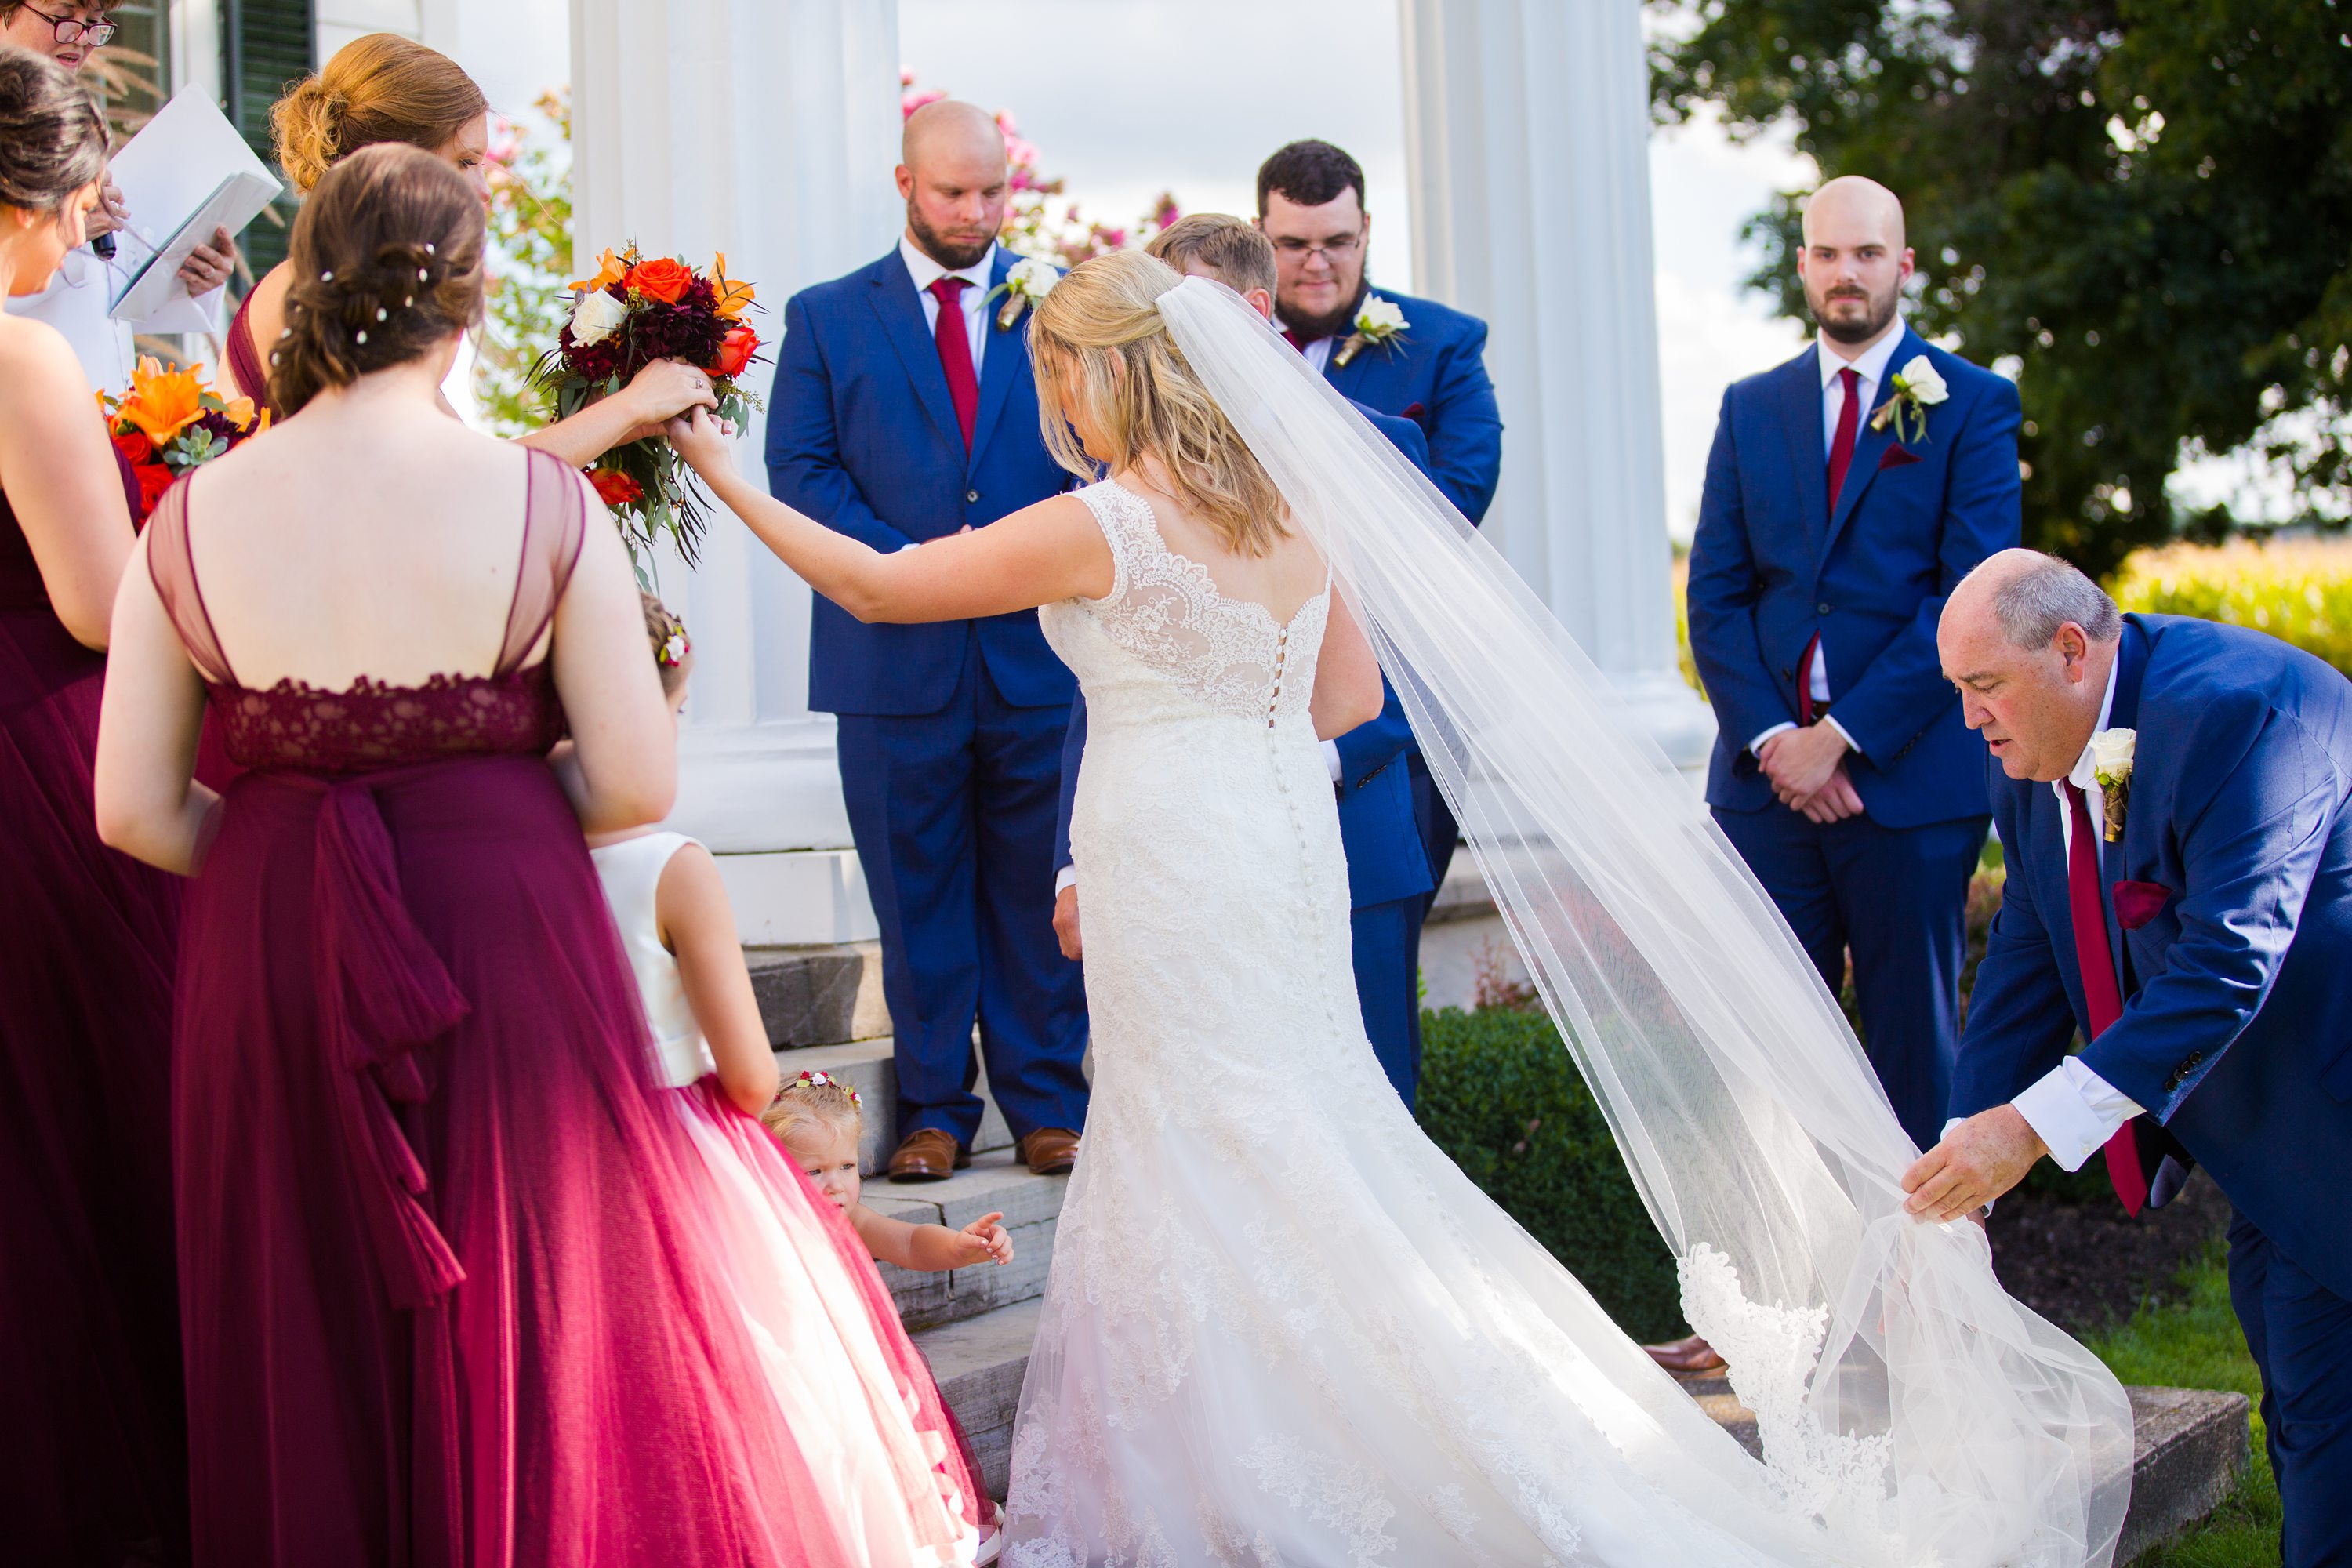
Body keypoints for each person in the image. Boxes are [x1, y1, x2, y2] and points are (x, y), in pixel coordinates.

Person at [662, 251, 2129, 1566]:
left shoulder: (1105, 522)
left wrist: (719, 465)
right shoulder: (1288, 512)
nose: (1059, 413)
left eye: (1061, 381)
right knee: (1307, 1127)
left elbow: (873, 585)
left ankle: (1242, 1472)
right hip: (1275, 842)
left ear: (1105, 374)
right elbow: (1345, 701)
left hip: (1174, 847)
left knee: (1206, 1135)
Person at [93, 142, 881, 1567]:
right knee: (527, 1291)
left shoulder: (191, 513)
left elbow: (135, 812)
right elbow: (637, 780)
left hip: (270, 937)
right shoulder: (540, 500)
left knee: (297, 1301)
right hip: (499, 926)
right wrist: (463, 824)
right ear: (467, 298)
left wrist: (309, 865)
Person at [1908, 550, 2352, 1568]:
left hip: (2333, 1100)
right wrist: (1959, 1172)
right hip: (2268, 1147)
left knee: (2327, 1440)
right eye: (1960, 692)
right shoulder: (2025, 754)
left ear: (2070, 650)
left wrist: (2027, 1132)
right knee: (2307, 1409)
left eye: (1984, 687)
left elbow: (2226, 964)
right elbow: (2033, 952)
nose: (1970, 720)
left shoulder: (2242, 716)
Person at [586, 593, 988, 1567]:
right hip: (680, 1149)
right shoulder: (671, 865)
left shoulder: (504, 863)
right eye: (677, 717)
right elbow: (752, 1069)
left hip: (563, 1150)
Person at [765, 97, 1087, 1181]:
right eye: (955, 192)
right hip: (890, 658)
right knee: (915, 896)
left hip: (1040, 652)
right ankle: (936, 1112)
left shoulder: (1060, 310)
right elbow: (800, 474)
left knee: (1040, 894)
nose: (977, 211)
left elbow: (1095, 454)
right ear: (905, 184)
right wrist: (909, 569)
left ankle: (1047, 1102)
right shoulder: (824, 317)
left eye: (994, 191)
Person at [1050, 212, 1436, 1106]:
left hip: (1351, 838)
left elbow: (1412, 672)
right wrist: (1075, 859)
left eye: (1179, 324)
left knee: (1366, 1114)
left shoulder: (1371, 448)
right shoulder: (1113, 482)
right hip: (1178, 863)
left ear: (1251, 313)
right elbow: (1106, 686)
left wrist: (1286, 769)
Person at [1686, 175, 2016, 1156]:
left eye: (1867, 253)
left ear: (1903, 265)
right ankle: (1788, 1299)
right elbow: (1717, 595)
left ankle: (1925, 1296)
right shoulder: (1751, 409)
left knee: (1915, 1054)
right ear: (1802, 264)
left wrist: (1842, 739)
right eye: (1827, 253)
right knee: (1767, 1057)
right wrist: (1781, 740)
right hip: (1767, 789)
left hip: (1905, 786)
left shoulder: (1973, 406)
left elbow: (1971, 599)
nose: (1845, 273)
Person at [0, 43, 189, 1566]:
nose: (75, 241)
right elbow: (94, 600)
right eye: (69, 207)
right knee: (97, 1127)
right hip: (36, 770)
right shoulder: (19, 358)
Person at [226, 31, 711, 457]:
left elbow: (459, 460)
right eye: (463, 161)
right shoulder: (333, 296)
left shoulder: (337, 279)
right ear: (394, 162)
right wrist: (631, 405)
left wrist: (623, 421)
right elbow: (461, 475)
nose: (483, 188)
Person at [1255, 136, 1501, 924]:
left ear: (1367, 233)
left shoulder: (1443, 345)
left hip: (1400, 703)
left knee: (1382, 940)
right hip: (1250, 690)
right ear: (1259, 236)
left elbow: (1454, 497)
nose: (1316, 263)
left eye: (1337, 242)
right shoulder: (1211, 349)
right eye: (1293, 245)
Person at [0, 2, 239, 395]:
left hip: (107, 403)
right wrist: (62, 233)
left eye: (94, 23)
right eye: (63, 17)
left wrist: (188, 274)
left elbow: (107, 291)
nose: (81, 39)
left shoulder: (76, 114)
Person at [767, 1069, 1017, 1272]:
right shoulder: (759, 1224)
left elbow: (910, 1243)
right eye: (814, 1172)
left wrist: (956, 1247)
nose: (836, 1185)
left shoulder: (850, 1219)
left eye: (847, 1166)